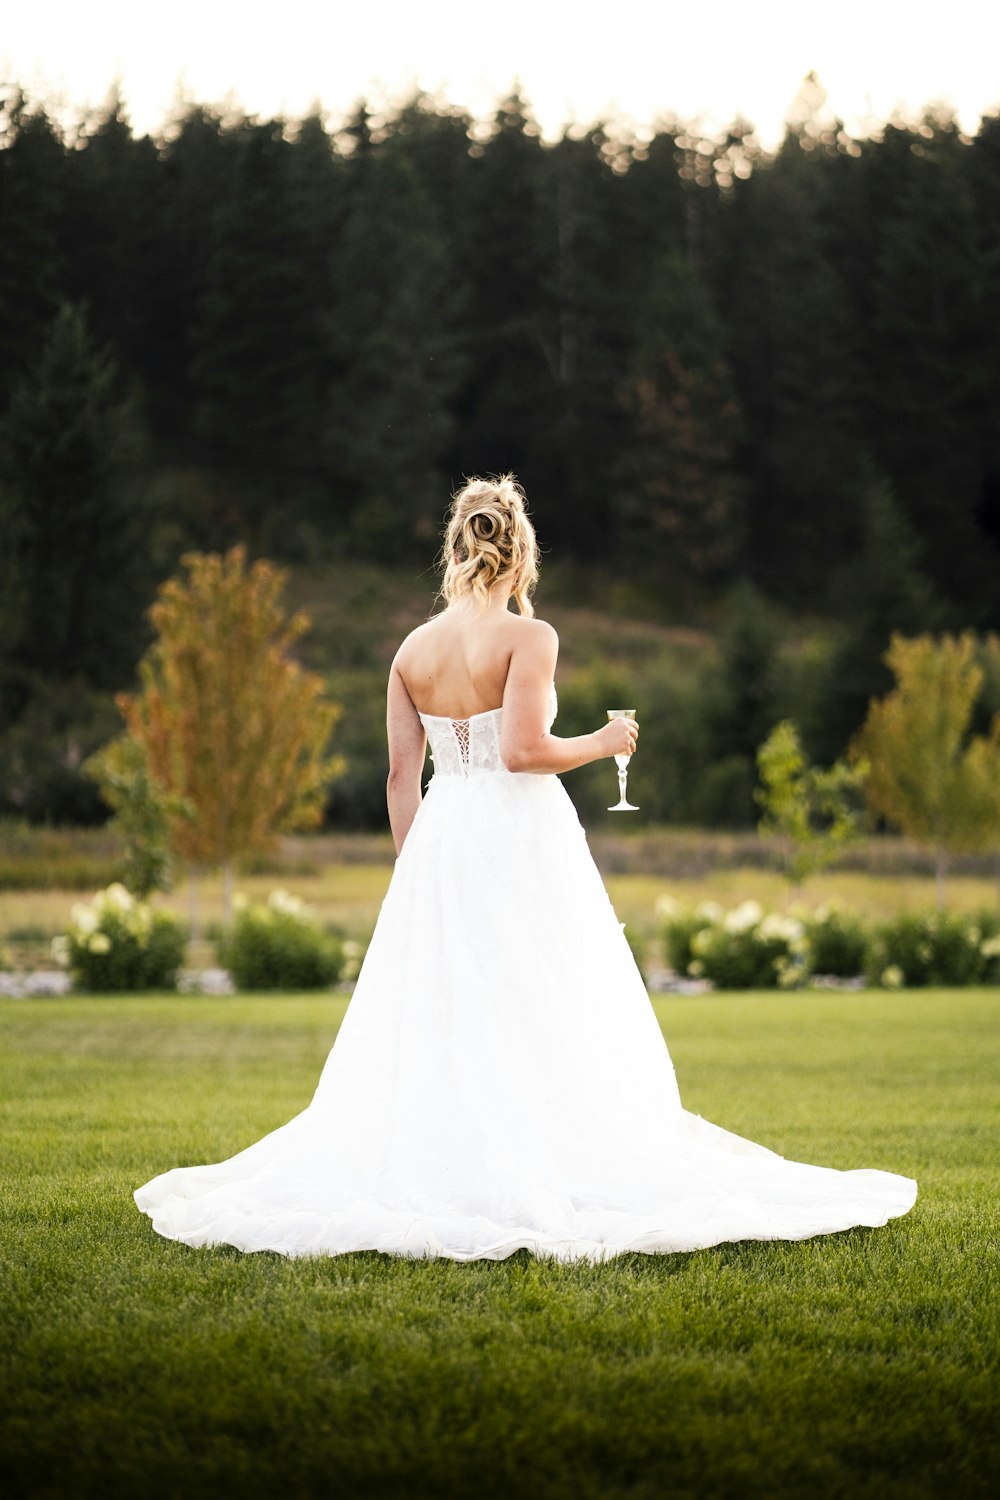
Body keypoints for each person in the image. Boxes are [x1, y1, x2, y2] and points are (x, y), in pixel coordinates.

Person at [135, 475, 916, 1262]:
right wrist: (605, 743)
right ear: (521, 554)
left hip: (439, 840)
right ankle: (545, 1154)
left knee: (453, 1007)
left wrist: (414, 875)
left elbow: (401, 781)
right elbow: (522, 752)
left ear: (455, 549)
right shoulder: (528, 639)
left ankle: (454, 1164)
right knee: (547, 991)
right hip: (514, 834)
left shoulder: (411, 650)